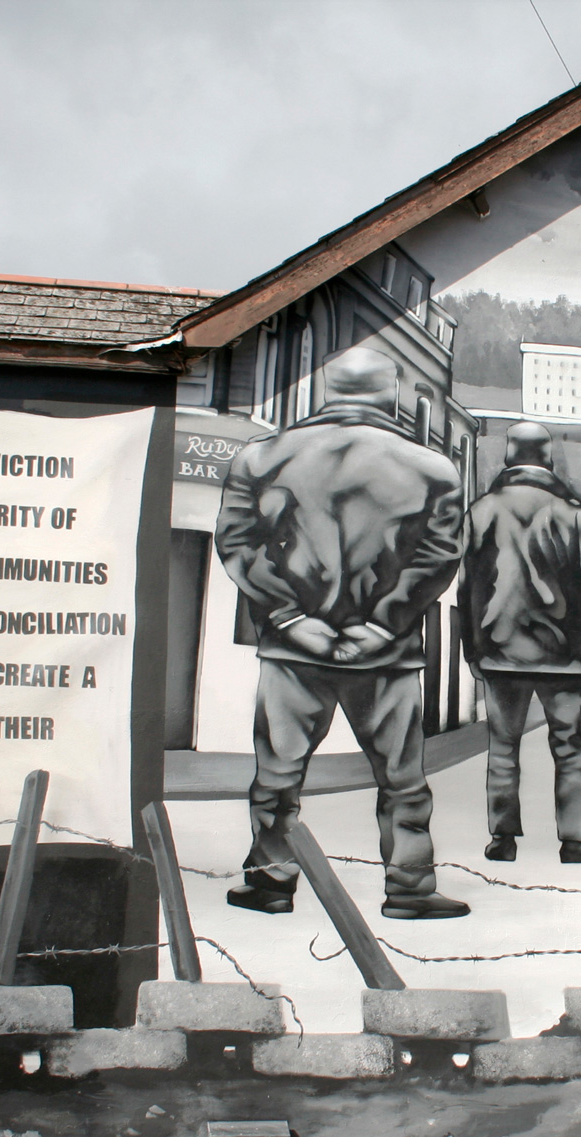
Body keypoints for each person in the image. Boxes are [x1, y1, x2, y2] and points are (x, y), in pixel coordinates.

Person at [214, 346, 469, 920]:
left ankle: (269, 882)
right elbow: (438, 558)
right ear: (392, 394)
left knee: (278, 775)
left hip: (290, 649)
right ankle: (409, 888)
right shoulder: (433, 469)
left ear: (328, 389)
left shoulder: (260, 457)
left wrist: (291, 618)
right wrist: (382, 624)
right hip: (389, 652)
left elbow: (238, 545)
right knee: (402, 780)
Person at [461, 422, 581, 864]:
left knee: (502, 748)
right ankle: (574, 839)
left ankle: (502, 839)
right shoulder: (572, 512)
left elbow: (469, 586)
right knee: (569, 749)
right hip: (561, 652)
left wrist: (474, 650)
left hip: (501, 649)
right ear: (547, 458)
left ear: (508, 457)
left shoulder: (482, 509)